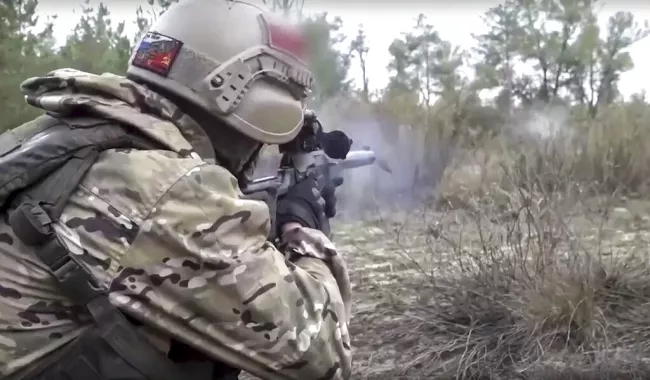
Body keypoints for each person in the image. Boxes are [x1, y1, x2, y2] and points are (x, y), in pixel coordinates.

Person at [0, 0, 352, 379]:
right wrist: (301, 229)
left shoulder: (65, 137)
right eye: (259, 138)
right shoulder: (163, 187)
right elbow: (319, 354)